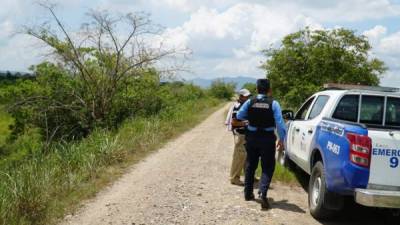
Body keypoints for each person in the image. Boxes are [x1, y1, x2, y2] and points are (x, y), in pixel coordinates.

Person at [237, 79, 286, 209]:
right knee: (268, 166)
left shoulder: (250, 101)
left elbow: (240, 115)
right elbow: (280, 124)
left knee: (250, 165)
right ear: (269, 90)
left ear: (257, 89)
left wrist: (251, 118)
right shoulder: (274, 104)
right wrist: (282, 139)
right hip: (267, 139)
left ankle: (248, 194)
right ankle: (262, 192)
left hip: (252, 137)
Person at [225, 88, 251, 185]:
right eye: (246, 96)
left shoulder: (245, 105)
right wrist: (246, 123)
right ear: (241, 97)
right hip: (240, 134)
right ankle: (234, 178)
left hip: (245, 134)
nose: (248, 98)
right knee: (239, 156)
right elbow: (234, 122)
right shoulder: (238, 106)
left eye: (248, 96)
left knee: (247, 156)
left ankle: (249, 175)